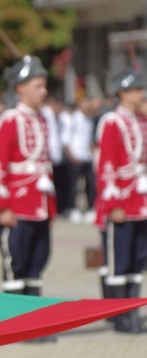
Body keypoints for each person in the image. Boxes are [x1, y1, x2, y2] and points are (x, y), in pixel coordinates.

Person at [0, 55, 57, 301]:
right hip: (18, 206)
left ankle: (33, 322)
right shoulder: (11, 119)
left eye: (44, 86)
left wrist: (51, 207)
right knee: (16, 263)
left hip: (39, 204)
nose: (44, 91)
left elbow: (45, 166)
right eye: (38, 86)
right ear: (21, 89)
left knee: (37, 262)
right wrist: (3, 206)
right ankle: (14, 320)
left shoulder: (41, 120)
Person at [94, 68, 147, 333]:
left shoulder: (140, 120)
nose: (142, 94)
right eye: (137, 90)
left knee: (138, 258)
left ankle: (133, 309)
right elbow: (106, 163)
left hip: (140, 200)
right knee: (119, 259)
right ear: (124, 93)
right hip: (121, 202)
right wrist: (111, 202)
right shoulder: (113, 121)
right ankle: (120, 314)